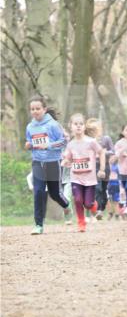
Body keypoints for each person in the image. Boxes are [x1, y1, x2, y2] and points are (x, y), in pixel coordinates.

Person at [25, 94, 72, 234]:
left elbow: (64, 141)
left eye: (37, 108)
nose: (35, 111)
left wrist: (49, 145)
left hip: (53, 162)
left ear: (44, 109)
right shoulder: (30, 127)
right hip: (38, 162)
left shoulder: (53, 125)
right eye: (32, 109)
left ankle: (67, 205)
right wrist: (29, 145)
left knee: (54, 193)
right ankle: (39, 224)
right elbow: (31, 143)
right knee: (38, 192)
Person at [63, 114, 104, 232]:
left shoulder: (91, 142)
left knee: (88, 204)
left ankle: (94, 205)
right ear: (71, 126)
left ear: (84, 126)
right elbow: (68, 158)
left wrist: (101, 169)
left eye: (81, 124)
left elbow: (101, 152)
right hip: (76, 177)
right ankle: (81, 222)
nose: (78, 126)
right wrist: (66, 161)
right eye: (75, 124)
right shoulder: (70, 144)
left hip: (90, 179)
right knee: (77, 200)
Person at [85, 118, 112, 220]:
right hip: (93, 166)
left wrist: (104, 153)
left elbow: (112, 151)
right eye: (92, 129)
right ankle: (98, 210)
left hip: (106, 167)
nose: (94, 131)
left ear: (100, 128)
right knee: (97, 188)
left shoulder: (106, 139)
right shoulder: (88, 141)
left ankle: (101, 208)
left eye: (96, 128)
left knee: (104, 190)